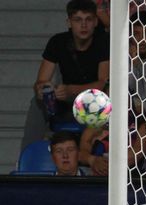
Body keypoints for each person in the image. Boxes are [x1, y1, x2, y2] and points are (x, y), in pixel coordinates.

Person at [24, 0, 110, 149]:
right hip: (65, 102)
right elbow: (41, 81)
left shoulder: (103, 41)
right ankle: (27, 159)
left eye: (88, 19)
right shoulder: (57, 42)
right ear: (69, 22)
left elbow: (102, 83)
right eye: (77, 20)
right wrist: (43, 90)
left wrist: (71, 89)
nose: (83, 25)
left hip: (93, 102)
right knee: (36, 103)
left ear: (96, 22)